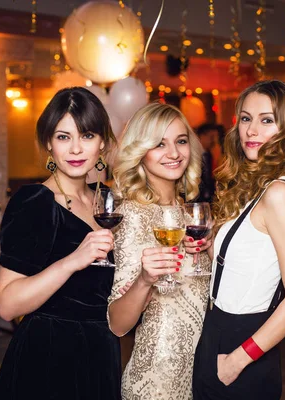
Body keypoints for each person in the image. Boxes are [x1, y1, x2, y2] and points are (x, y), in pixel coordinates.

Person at [192, 80, 285, 399]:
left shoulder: (279, 193)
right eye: (245, 118)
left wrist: (237, 360)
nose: (251, 130)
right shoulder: (255, 185)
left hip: (242, 341)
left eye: (266, 120)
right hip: (218, 330)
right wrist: (208, 247)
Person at [0, 87, 121, 400]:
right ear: (49, 143)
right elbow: (6, 305)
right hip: (48, 356)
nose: (76, 149)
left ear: (102, 142)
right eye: (64, 137)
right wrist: (71, 262)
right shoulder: (34, 203)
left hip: (101, 352)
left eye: (87, 135)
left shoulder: (108, 202)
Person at [107, 103, 211, 400]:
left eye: (180, 141)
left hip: (203, 373)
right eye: (159, 144)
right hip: (158, 381)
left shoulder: (193, 216)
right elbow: (117, 324)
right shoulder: (131, 216)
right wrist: (143, 280)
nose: (174, 153)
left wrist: (212, 245)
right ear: (140, 151)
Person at [196, 123, 218, 202]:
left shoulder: (209, 154)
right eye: (211, 137)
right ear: (202, 136)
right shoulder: (193, 155)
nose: (214, 141)